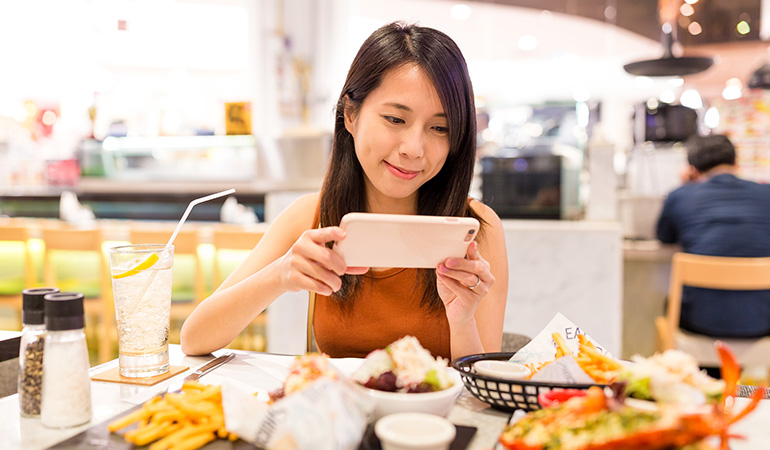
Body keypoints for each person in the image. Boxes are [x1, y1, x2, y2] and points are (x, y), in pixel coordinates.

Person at [181, 22, 509, 360]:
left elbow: (483, 394)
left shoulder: (477, 228)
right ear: (350, 115)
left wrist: (462, 318)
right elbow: (195, 338)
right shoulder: (312, 216)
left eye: (439, 128)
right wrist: (280, 275)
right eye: (396, 119)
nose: (414, 148)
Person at [656, 134, 770, 338]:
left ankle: (705, 369)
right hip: (762, 321)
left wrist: (686, 186)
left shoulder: (680, 196)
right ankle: (729, 368)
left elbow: (664, 237)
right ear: (736, 163)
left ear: (692, 169)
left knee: (675, 302)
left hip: (700, 322)